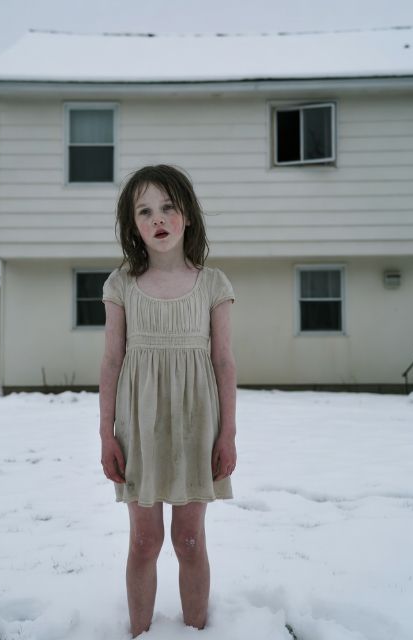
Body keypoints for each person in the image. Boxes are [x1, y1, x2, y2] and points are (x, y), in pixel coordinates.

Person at [99, 164, 237, 637]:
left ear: (188, 216)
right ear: (133, 225)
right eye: (144, 211)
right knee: (144, 541)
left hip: (197, 425)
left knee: (189, 539)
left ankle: (195, 631)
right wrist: (106, 435)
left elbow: (224, 362)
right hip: (138, 428)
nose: (157, 218)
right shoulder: (121, 285)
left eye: (167, 207)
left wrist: (228, 433)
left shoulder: (213, 284)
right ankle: (140, 632)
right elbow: (111, 362)